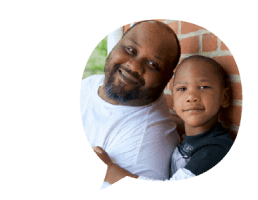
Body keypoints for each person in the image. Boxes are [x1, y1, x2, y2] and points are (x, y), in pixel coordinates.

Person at [94, 55, 235, 188]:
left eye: (203, 87)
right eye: (182, 89)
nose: (191, 96)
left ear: (225, 97)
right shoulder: (195, 138)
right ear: (174, 101)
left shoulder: (216, 149)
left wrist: (111, 172)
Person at [79, 20, 183, 189]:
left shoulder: (149, 143)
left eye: (153, 65)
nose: (133, 66)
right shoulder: (89, 83)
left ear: (166, 80)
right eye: (130, 50)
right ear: (116, 45)